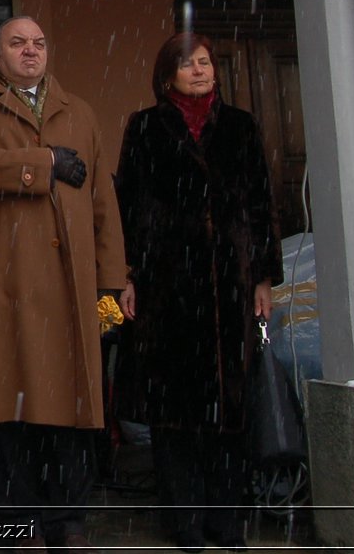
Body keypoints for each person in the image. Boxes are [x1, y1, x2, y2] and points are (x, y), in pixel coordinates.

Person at [0, 17, 126, 552]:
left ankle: (69, 522)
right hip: (8, 292)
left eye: (39, 43)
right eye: (17, 43)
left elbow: (102, 207)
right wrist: (41, 164)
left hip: (76, 294)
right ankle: (19, 524)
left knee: (76, 408)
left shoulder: (81, 112)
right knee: (10, 410)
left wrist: (113, 285)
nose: (30, 51)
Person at [113, 33, 283, 553]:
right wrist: (127, 275)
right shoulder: (145, 126)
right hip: (166, 285)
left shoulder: (240, 126)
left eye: (205, 62)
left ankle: (227, 520)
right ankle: (183, 519)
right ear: (168, 75)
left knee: (231, 409)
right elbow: (129, 204)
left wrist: (261, 278)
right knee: (175, 412)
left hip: (230, 285)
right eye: (188, 64)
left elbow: (260, 202)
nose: (200, 70)